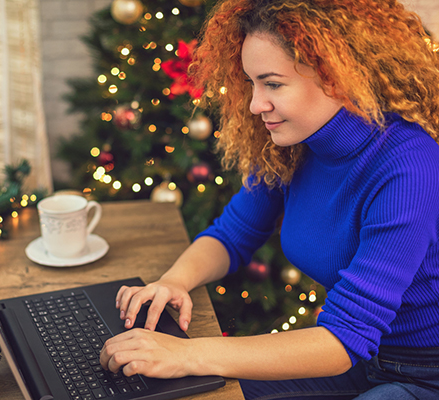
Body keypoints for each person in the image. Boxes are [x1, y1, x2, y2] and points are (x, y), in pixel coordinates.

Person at [99, 0, 439, 399]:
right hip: (358, 357)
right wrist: (174, 281)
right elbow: (232, 234)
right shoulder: (293, 143)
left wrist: (189, 354)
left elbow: (342, 340)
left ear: (338, 76)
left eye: (272, 84)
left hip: (421, 373)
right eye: (252, 83)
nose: (254, 104)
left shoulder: (408, 165)